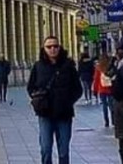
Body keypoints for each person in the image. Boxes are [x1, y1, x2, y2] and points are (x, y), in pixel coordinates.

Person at [27, 36, 83, 164]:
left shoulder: (68, 66)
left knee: (63, 150)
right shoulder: (38, 66)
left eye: (55, 46)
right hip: (45, 113)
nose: (52, 49)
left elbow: (78, 89)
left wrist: (68, 101)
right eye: (49, 47)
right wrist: (37, 100)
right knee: (45, 149)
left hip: (64, 114)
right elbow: (31, 87)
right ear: (44, 49)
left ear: (60, 47)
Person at [91, 53, 113, 127]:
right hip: (110, 88)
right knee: (111, 105)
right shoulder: (110, 66)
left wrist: (95, 90)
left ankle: (106, 121)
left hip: (102, 89)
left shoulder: (98, 67)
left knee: (104, 105)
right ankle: (113, 120)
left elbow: (96, 79)